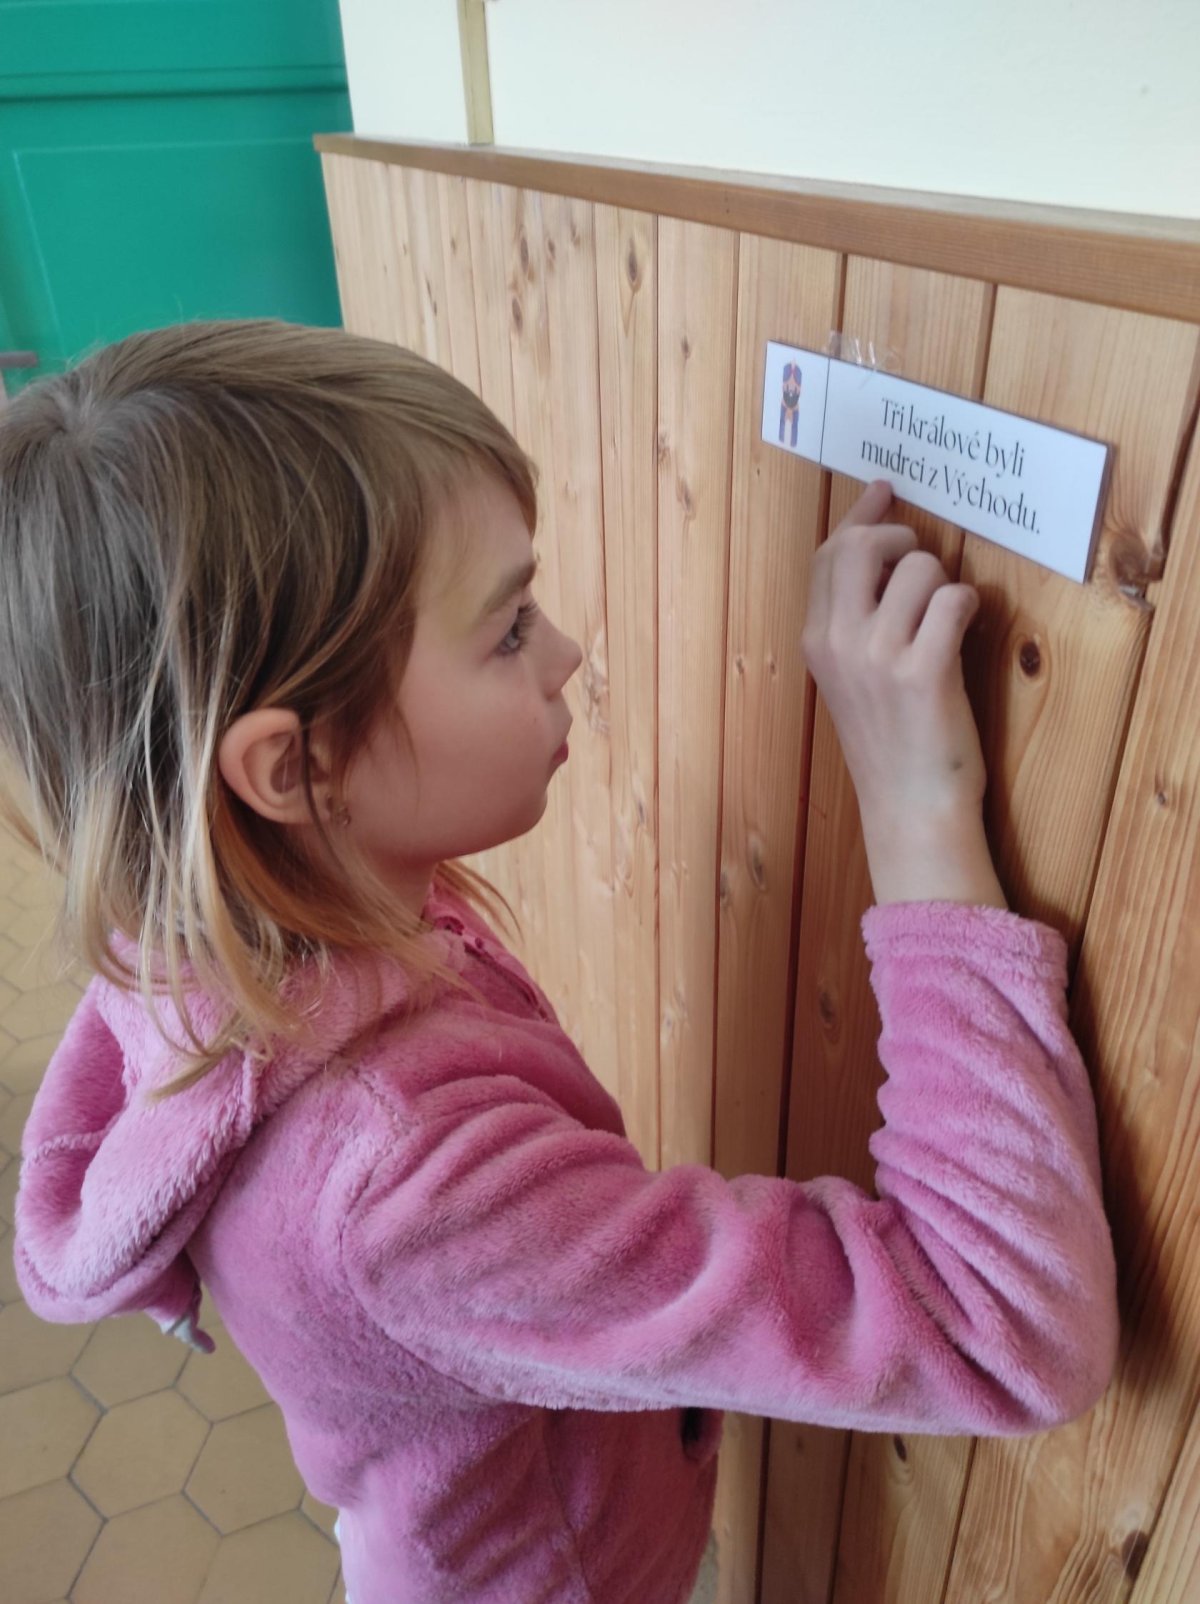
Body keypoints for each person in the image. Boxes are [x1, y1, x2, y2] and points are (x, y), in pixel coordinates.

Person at [5, 320, 1118, 1604]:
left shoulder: (216, 909)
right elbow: (1004, 1323)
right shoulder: (404, 1184)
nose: (565, 654)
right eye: (507, 627)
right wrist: (917, 808)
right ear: (296, 766)